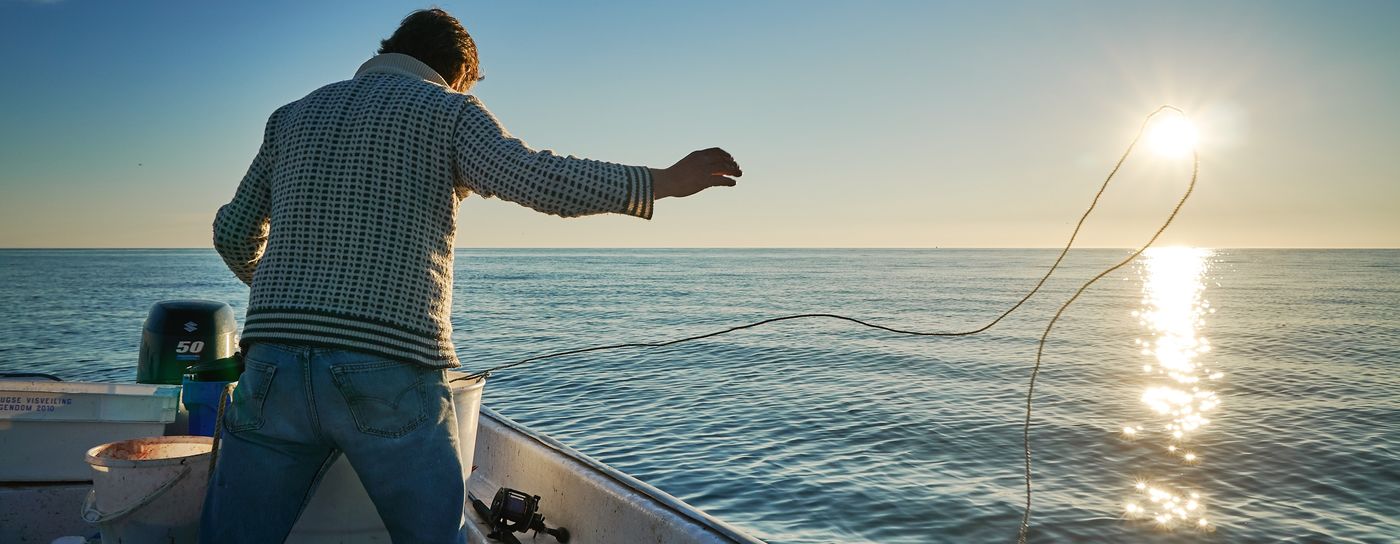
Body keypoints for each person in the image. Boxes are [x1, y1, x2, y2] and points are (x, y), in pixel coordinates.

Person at [203, 8, 741, 543]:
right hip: (388, 365)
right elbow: (537, 179)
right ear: (460, 72)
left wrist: (284, 294)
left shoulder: (291, 117)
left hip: (272, 367)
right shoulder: (448, 110)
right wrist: (661, 181)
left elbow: (232, 232)